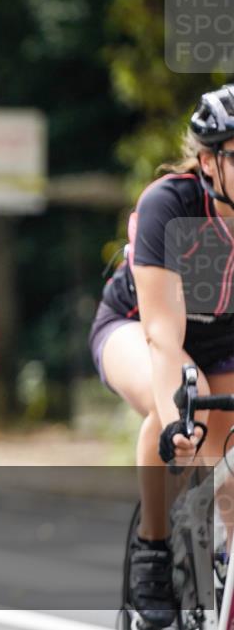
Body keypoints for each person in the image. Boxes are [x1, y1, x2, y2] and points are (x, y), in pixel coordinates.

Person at [89, 84, 234, 628]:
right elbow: (164, 339)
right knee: (179, 394)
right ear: (208, 161)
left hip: (224, 338)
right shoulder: (169, 205)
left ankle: (218, 566)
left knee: (227, 472)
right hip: (137, 326)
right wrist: (177, 420)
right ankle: (152, 547)